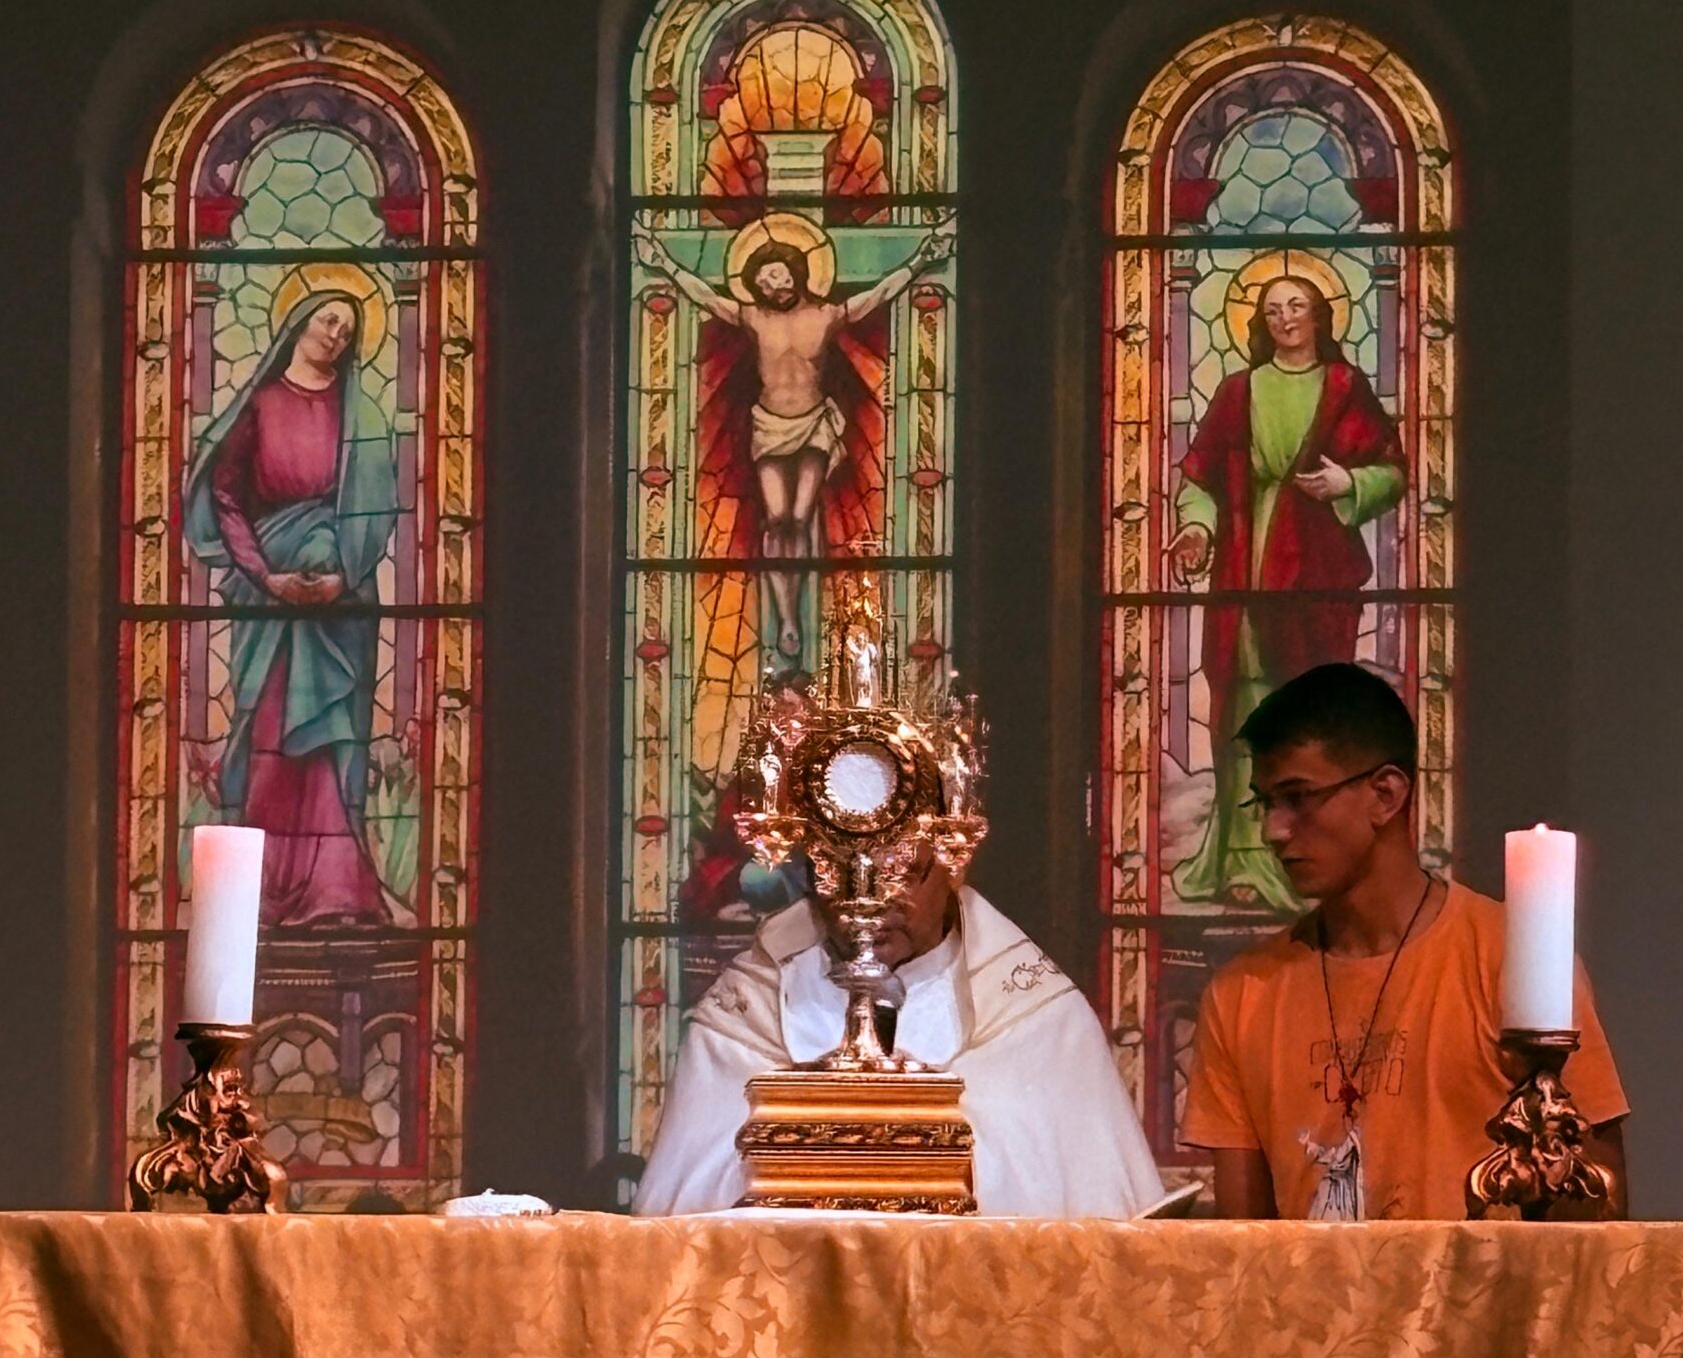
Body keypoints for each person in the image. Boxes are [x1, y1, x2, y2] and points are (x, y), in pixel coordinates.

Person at [1180, 664, 1629, 1221]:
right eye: (1265, 802)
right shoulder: (1242, 994)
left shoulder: (1510, 958)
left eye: (1297, 797)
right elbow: (1241, 1249)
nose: (1273, 830)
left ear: (1386, 794)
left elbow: (1599, 1208)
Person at [634, 845, 1162, 1218]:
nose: (870, 899)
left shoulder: (1037, 1014)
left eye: (902, 868)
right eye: (842, 867)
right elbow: (678, 1215)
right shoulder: (748, 1012)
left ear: (955, 862)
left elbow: (1095, 1228)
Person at [1170, 269, 1407, 909]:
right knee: (1240, 705)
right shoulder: (1238, 391)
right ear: (1258, 322)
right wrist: (1197, 529)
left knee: (1302, 704)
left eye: (1297, 306)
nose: (1285, 318)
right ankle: (1241, 857)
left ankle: (1314, 859)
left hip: (1313, 576)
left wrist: (1348, 486)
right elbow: (1199, 476)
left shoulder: (1343, 387)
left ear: (1319, 315)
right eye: (1273, 309)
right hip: (1243, 573)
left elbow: (1391, 470)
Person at [634, 217, 951, 661]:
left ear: (797, 274)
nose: (774, 286)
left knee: (800, 517)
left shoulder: (827, 315)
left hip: (814, 423)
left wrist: (920, 260)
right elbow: (704, 294)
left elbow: (879, 293)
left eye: (779, 275)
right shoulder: (752, 318)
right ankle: (785, 616)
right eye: (764, 281)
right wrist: (663, 263)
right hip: (769, 424)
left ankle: (793, 620)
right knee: (776, 519)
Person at [182, 289, 399, 926]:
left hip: (341, 603)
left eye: (348, 328)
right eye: (327, 318)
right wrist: (267, 577)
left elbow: (376, 509)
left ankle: (336, 891)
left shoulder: (363, 416)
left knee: (331, 741)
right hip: (269, 598)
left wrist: (341, 579)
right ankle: (251, 897)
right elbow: (224, 500)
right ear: (297, 322)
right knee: (269, 733)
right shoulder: (260, 405)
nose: (335, 333)